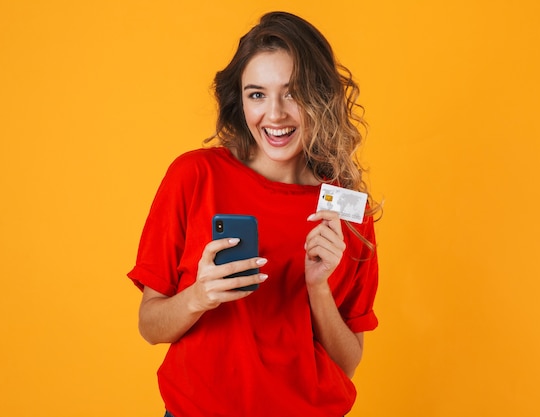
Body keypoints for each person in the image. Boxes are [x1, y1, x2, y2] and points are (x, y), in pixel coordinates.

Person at [127, 11, 380, 417]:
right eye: (257, 94)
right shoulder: (195, 176)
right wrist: (199, 297)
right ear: (239, 100)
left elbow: (347, 363)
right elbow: (149, 326)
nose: (275, 114)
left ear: (320, 97)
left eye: (292, 93)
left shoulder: (344, 208)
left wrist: (317, 287)